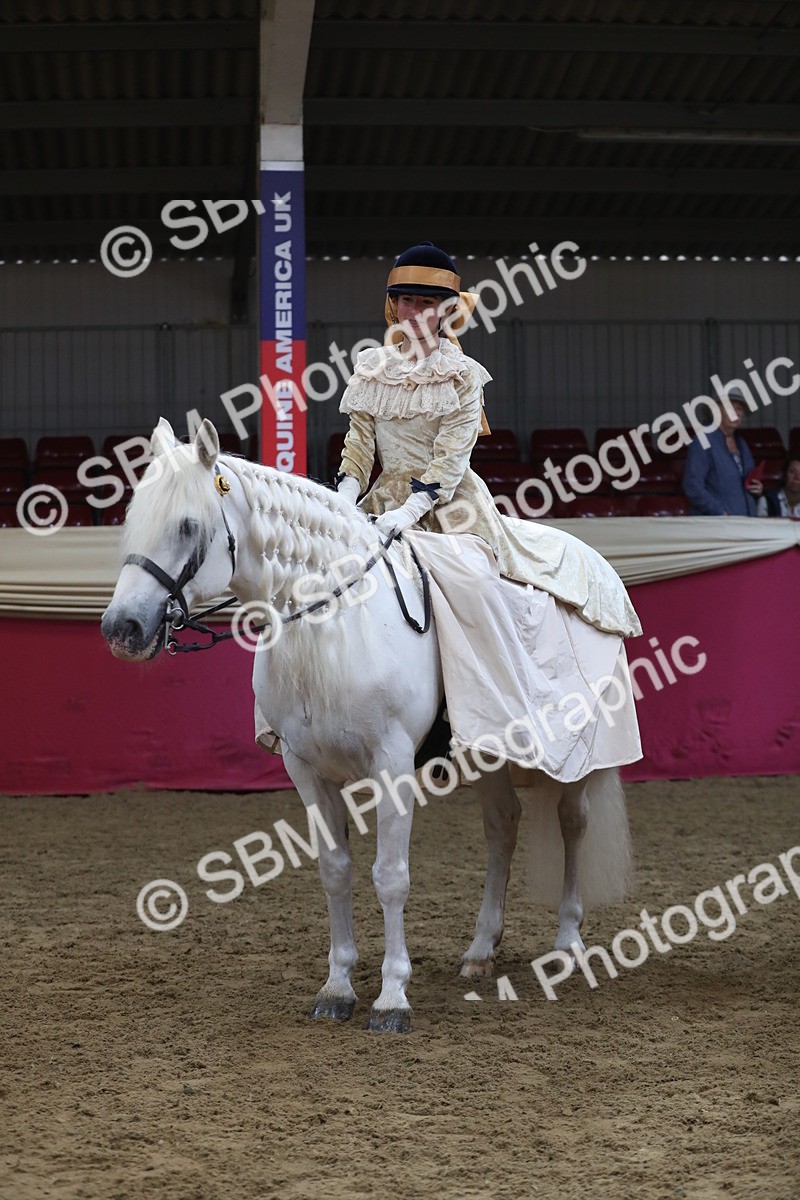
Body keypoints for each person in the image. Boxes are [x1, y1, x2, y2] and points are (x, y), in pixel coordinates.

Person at [336, 241, 641, 640]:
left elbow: (450, 459)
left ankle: (501, 683)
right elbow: (358, 446)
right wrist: (343, 500)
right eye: (406, 300)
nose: (414, 312)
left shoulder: (463, 375)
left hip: (449, 502)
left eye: (427, 302)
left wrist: (409, 513)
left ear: (446, 310)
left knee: (475, 588)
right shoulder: (371, 369)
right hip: (383, 498)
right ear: (394, 304)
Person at [682, 390, 764, 516]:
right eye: (730, 408)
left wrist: (757, 489)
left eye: (740, 409)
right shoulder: (703, 440)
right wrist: (719, 512)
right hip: (715, 526)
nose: (736, 413)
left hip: (744, 523)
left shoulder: (742, 444)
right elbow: (693, 486)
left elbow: (746, 483)